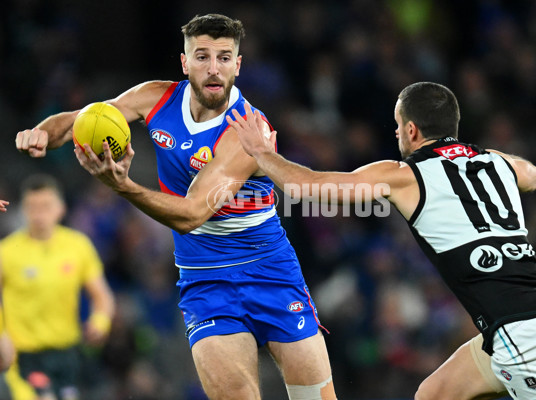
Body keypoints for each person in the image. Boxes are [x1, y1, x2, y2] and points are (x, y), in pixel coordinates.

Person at [16, 14, 337, 400]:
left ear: (238, 64)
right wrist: (42, 133)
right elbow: (81, 120)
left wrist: (123, 186)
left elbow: (191, 214)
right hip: (205, 278)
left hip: (270, 271)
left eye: (223, 57)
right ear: (185, 63)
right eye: (202, 56)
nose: (213, 68)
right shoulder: (156, 97)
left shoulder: (248, 131)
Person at [226, 82, 536, 400]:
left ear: (412, 131)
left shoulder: (405, 174)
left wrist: (261, 152)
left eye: (397, 126)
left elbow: (307, 188)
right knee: (433, 394)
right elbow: (531, 174)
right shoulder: (496, 163)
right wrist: (492, 157)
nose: (396, 133)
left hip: (521, 337)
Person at [0, 174, 115, 400]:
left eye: (45, 206)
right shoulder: (7, 251)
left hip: (67, 353)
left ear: (61, 208)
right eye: (32, 207)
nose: (39, 213)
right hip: (24, 355)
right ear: (23, 210)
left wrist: (100, 321)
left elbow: (102, 296)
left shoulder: (77, 246)